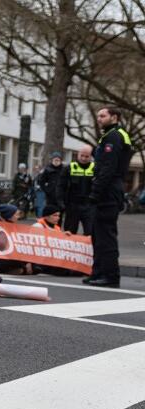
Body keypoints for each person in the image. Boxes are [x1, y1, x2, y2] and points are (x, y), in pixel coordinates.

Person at [85, 106, 133, 287]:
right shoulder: (111, 135)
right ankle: (97, 272)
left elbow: (108, 168)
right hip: (108, 189)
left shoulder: (114, 136)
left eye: (102, 116)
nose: (99, 118)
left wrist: (95, 192)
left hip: (108, 191)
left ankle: (110, 276)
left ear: (114, 117)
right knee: (98, 234)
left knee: (106, 236)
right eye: (98, 115)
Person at [0, 204, 37, 275]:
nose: (18, 217)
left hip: (8, 254)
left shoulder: (13, 226)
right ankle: (18, 269)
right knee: (13, 261)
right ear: (9, 216)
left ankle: (21, 269)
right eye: (16, 215)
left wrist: (28, 261)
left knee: (34, 263)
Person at [57, 145, 95, 235]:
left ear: (91, 156)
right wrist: (60, 203)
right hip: (72, 205)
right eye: (82, 155)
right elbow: (60, 186)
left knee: (91, 233)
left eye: (87, 156)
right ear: (78, 155)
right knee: (69, 233)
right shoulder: (69, 168)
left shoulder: (95, 168)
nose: (84, 158)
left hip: (89, 205)